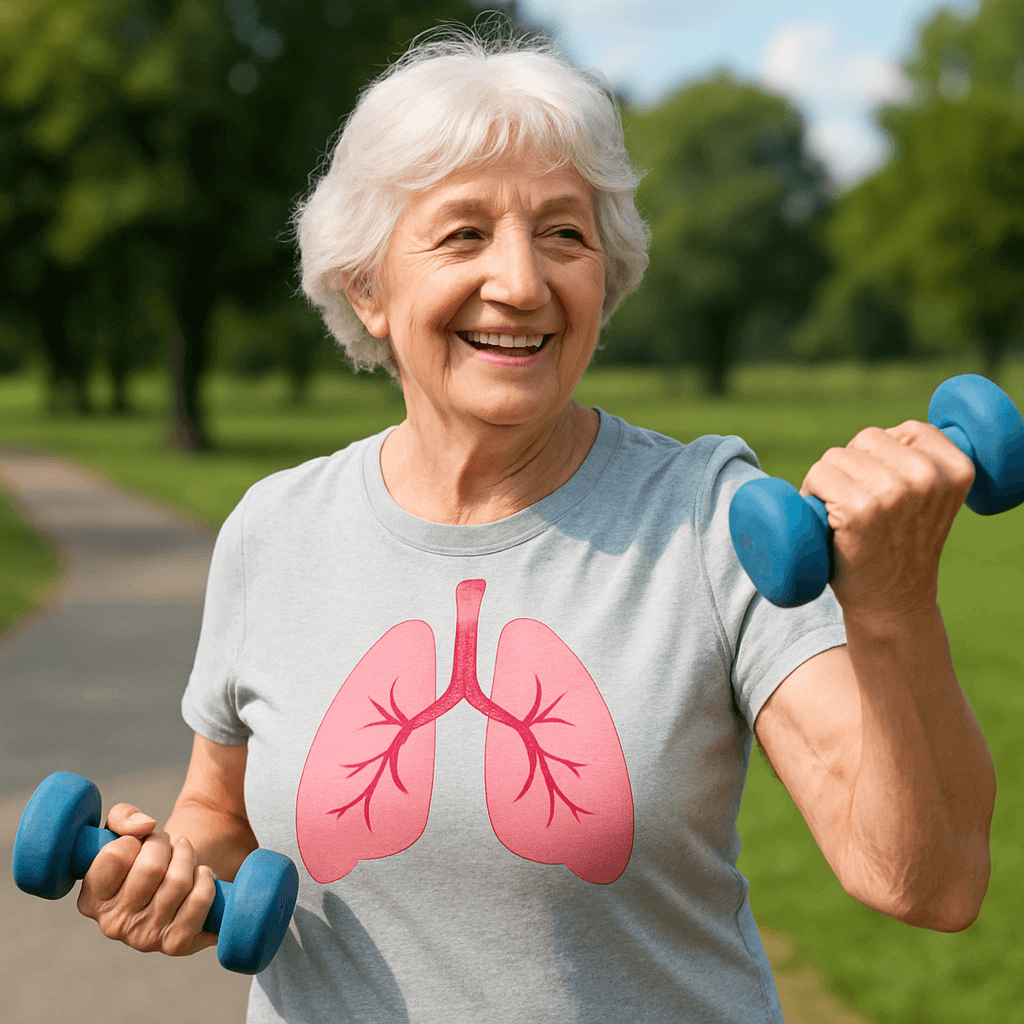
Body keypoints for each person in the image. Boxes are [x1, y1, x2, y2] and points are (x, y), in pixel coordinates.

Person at [77, 21, 995, 1024]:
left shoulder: (710, 523)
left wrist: (895, 606)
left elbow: (926, 882)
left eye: (564, 233)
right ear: (369, 289)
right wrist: (174, 881)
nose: (520, 282)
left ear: (607, 277)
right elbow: (218, 818)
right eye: (464, 233)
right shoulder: (273, 528)